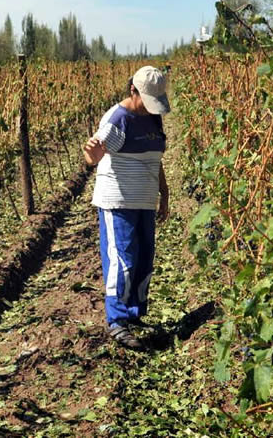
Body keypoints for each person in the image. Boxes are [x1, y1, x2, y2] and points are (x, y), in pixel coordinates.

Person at [82, 65, 169, 350]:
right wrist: (91, 150)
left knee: (144, 257)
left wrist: (164, 193)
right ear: (133, 90)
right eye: (147, 100)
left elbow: (155, 158)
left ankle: (134, 313)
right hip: (118, 200)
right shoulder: (119, 118)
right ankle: (117, 321)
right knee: (123, 259)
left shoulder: (154, 118)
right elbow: (93, 155)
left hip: (144, 201)